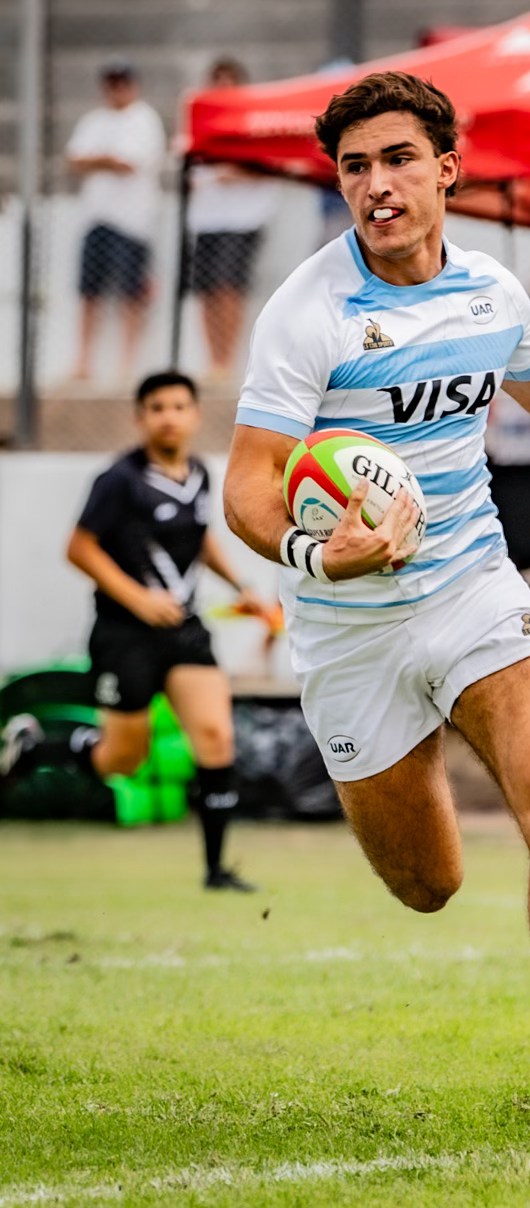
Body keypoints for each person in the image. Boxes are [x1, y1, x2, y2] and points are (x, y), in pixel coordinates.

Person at [219, 71, 530, 1159]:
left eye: (397, 159)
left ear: (446, 168)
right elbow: (248, 483)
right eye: (354, 167)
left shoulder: (490, 289)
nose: (377, 185)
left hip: (472, 583)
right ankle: (419, 754)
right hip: (351, 629)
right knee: (427, 883)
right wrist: (318, 549)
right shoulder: (310, 310)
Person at [0, 371, 269, 891]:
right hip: (125, 635)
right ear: (140, 417)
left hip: (186, 632)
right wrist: (140, 600)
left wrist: (242, 586)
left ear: (194, 415)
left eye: (178, 406)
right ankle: (36, 749)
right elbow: (79, 549)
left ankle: (216, 871)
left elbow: (200, 538)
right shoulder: (118, 479)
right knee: (124, 758)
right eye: (156, 407)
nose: (168, 416)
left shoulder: (199, 474)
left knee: (216, 738)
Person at [65, 60, 167, 385]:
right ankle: (82, 362)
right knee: (89, 294)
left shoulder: (144, 119)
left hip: (132, 223)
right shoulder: (93, 120)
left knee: (130, 294)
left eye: (122, 82)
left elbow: (128, 163)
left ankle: (127, 364)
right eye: (111, 83)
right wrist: (106, 159)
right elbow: (75, 160)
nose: (116, 89)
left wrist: (100, 159)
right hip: (96, 218)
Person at [188, 59, 281, 386]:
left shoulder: (251, 120)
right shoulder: (201, 121)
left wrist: (233, 174)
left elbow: (269, 165)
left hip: (242, 219)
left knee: (229, 289)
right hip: (207, 220)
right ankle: (212, 359)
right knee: (207, 291)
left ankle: (225, 361)